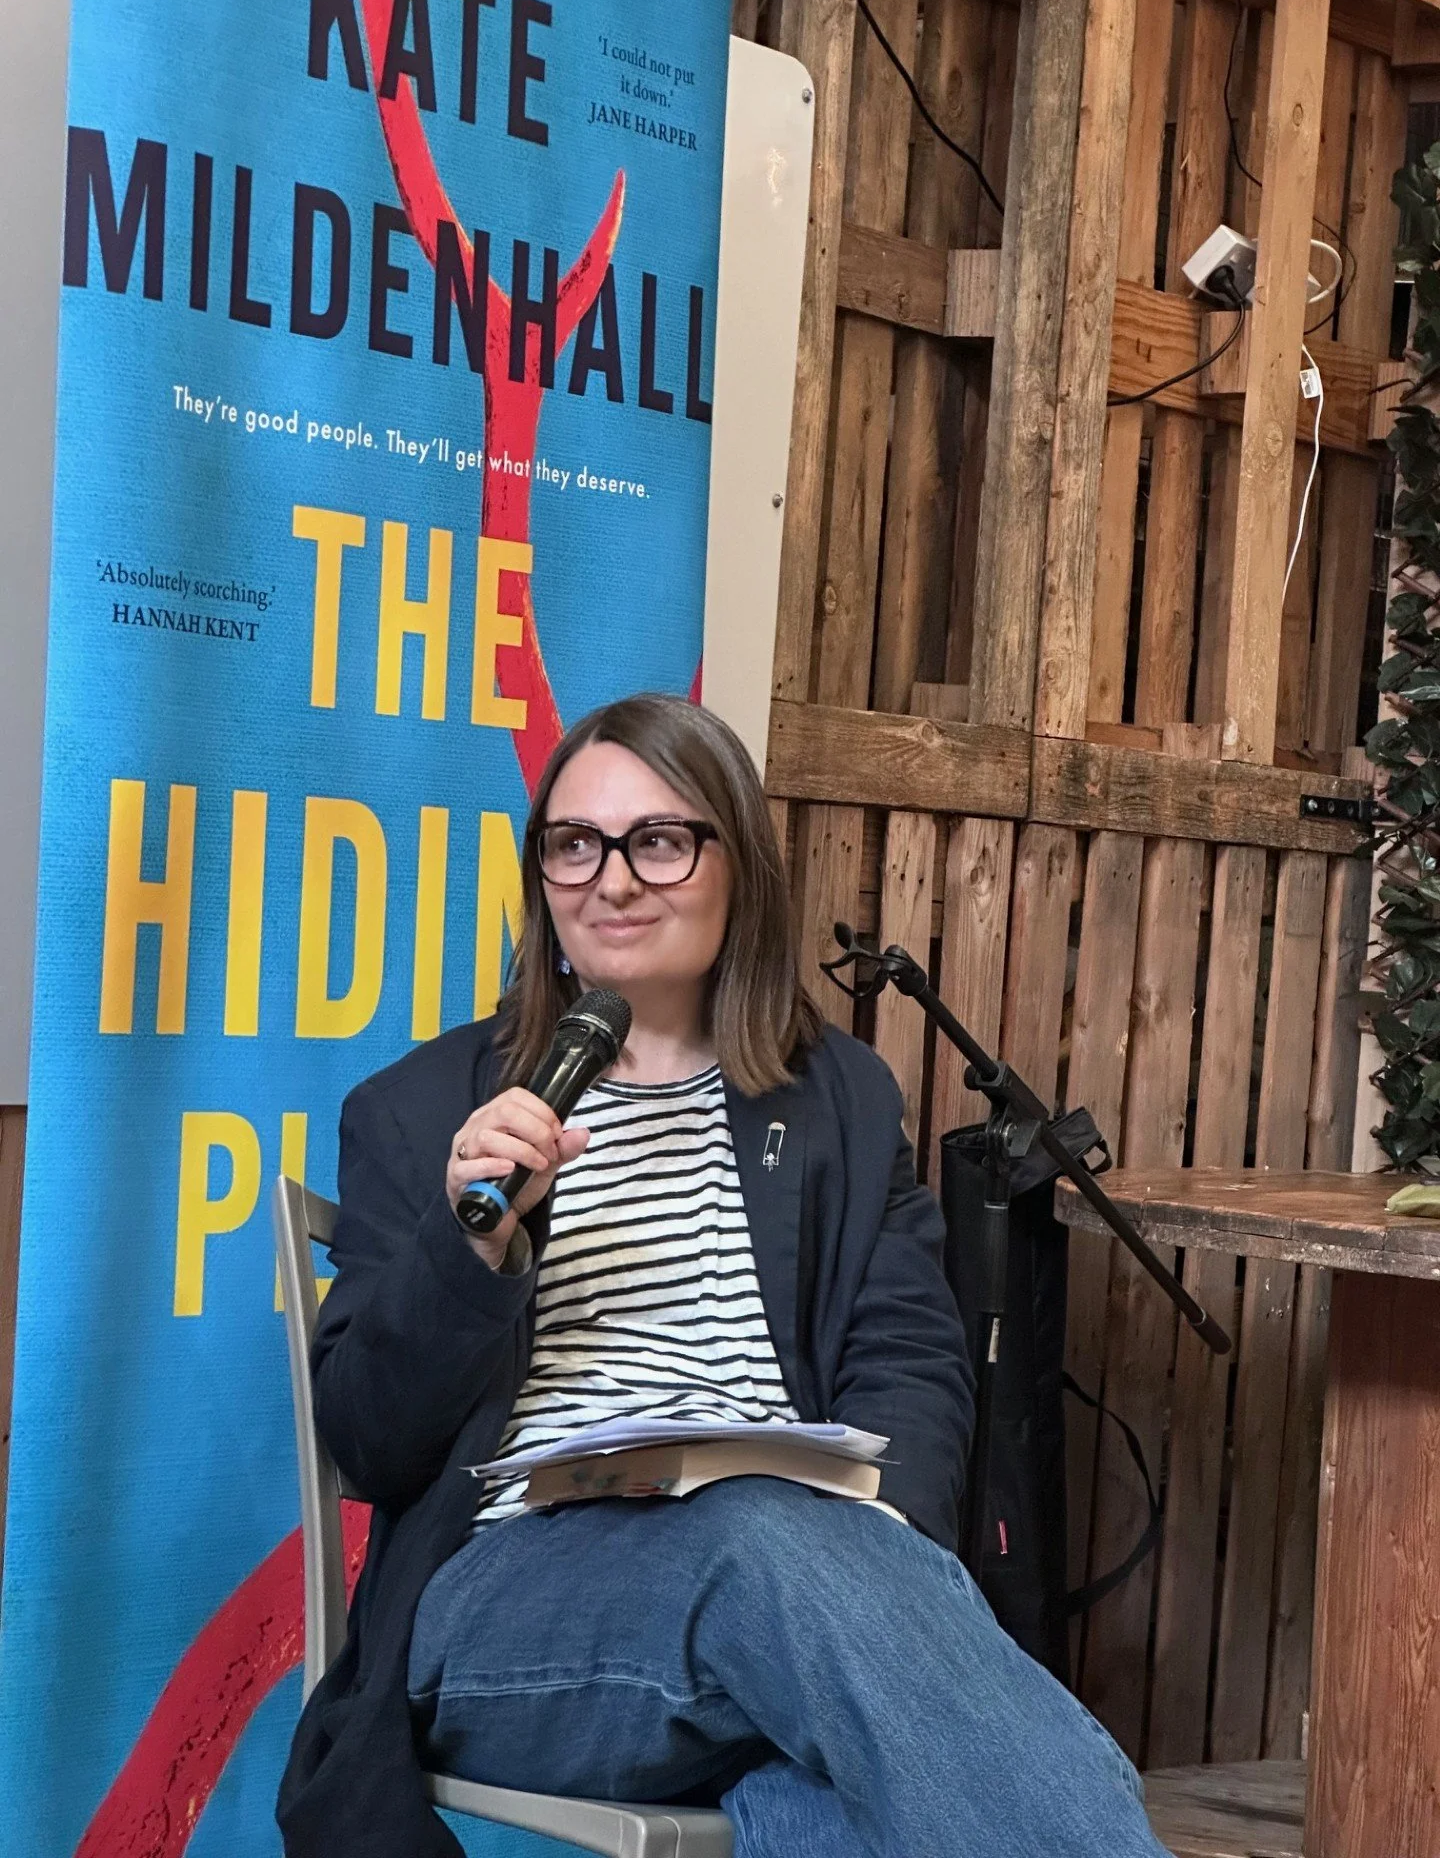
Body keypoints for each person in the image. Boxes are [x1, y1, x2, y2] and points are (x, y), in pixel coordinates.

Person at [278, 693, 1167, 1858]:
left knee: (832, 1806)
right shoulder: (424, 1113)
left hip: (794, 1599)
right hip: (513, 1620)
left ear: (736, 862)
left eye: (658, 839)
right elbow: (374, 1440)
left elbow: (911, 1370)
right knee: (759, 1542)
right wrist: (473, 1245)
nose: (612, 878)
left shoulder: (840, 1101)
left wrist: (866, 1576)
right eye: (575, 843)